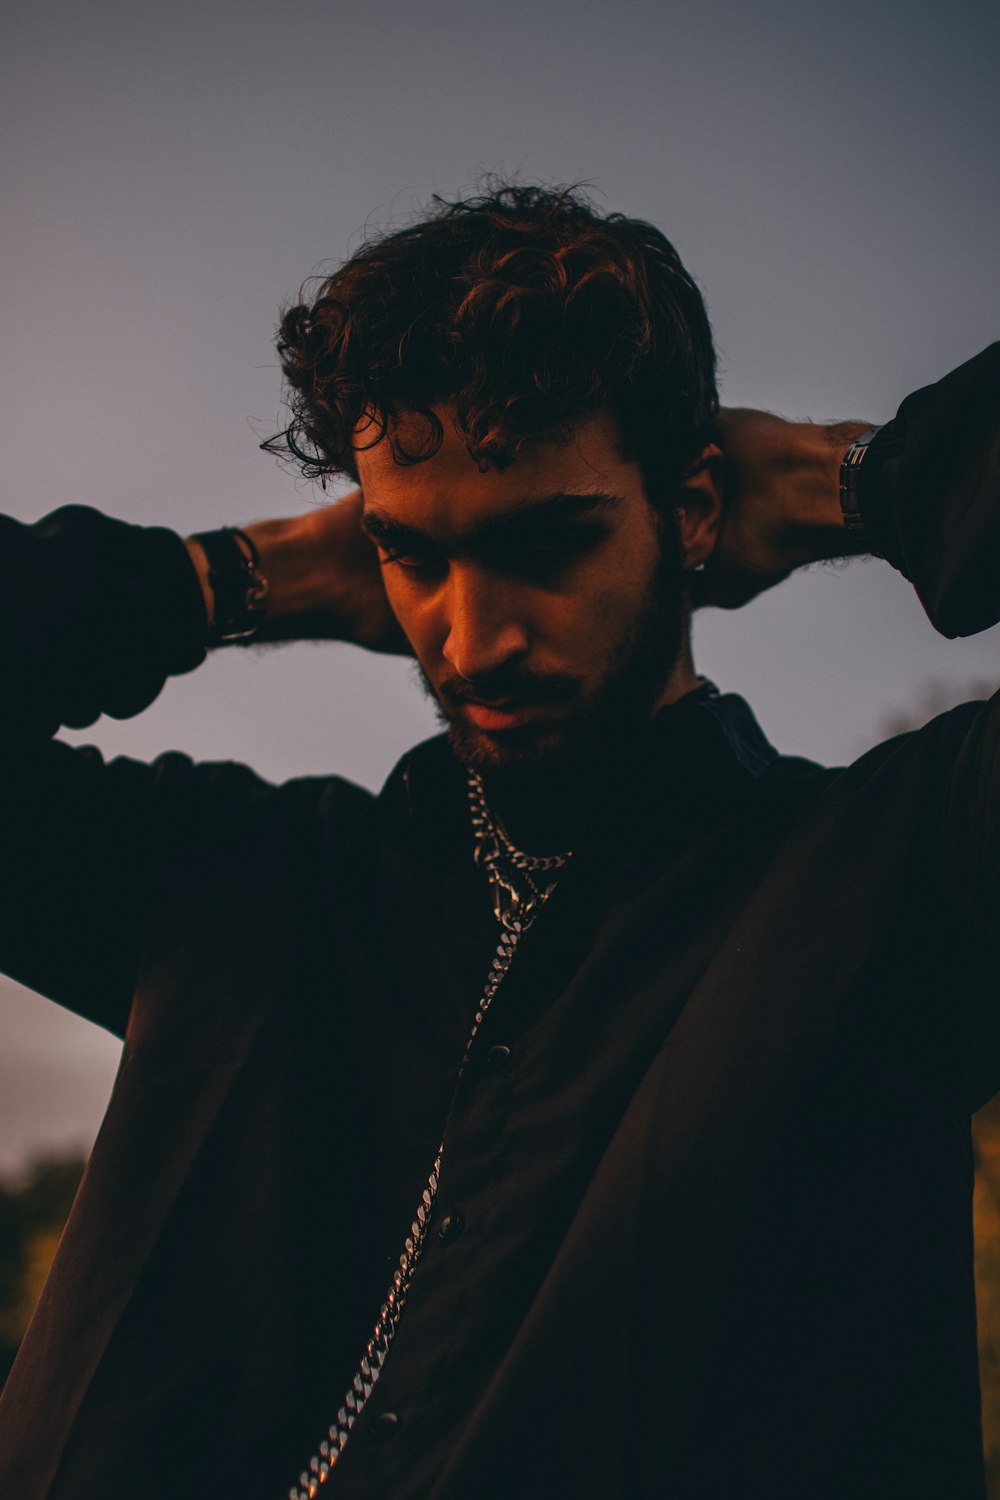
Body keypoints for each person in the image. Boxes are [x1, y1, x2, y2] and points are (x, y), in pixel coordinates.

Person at [0, 183, 997, 1500]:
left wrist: (866, 482)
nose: (472, 641)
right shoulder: (240, 879)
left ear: (692, 510)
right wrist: (230, 579)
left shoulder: (903, 870)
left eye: (548, 539)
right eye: (413, 554)